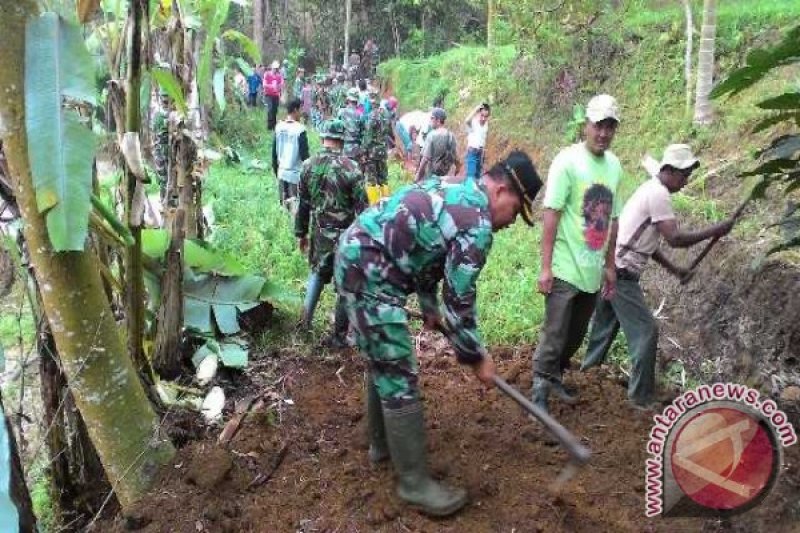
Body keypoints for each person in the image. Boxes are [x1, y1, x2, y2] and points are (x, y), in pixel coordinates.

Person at [335, 151, 543, 517]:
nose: (511, 222)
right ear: (501, 191)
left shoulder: (455, 187)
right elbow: (460, 300)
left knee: (384, 361)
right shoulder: (477, 224)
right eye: (515, 211)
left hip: (356, 255)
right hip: (371, 274)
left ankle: (381, 446)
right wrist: (476, 355)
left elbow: (426, 247)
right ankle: (414, 484)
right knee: (399, 373)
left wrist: (428, 305)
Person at [581, 144, 734, 409]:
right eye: (684, 176)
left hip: (612, 268)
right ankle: (640, 399)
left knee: (605, 327)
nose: (685, 182)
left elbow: (647, 244)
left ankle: (586, 375)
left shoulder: (649, 189)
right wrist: (715, 230)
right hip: (621, 273)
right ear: (670, 171)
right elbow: (674, 239)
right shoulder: (659, 194)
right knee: (646, 331)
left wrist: (675, 269)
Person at [532, 94, 624, 413]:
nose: (603, 133)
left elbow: (613, 218)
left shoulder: (614, 167)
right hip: (564, 264)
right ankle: (540, 388)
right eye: (599, 125)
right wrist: (545, 267)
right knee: (555, 331)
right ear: (586, 124)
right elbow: (552, 214)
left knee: (576, 332)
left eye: (610, 127)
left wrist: (610, 265)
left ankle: (555, 377)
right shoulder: (567, 161)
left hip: (592, 266)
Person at [296, 119, 367, 345]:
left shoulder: (308, 165)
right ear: (342, 141)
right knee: (345, 283)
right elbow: (363, 209)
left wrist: (301, 233)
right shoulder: (351, 168)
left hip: (319, 233)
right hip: (346, 236)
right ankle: (338, 336)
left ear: (323, 137)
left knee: (317, 273)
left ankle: (304, 323)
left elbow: (303, 205)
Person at [272, 99, 310, 208]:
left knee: (283, 206)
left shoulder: (279, 127)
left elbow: (274, 154)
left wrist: (276, 171)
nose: (301, 112)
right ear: (295, 110)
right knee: (294, 209)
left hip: (281, 172)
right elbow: (305, 156)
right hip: (294, 175)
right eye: (300, 109)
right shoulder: (300, 129)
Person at [361, 88, 393, 197]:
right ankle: (387, 203)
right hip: (383, 150)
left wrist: (364, 152)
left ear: (371, 102)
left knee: (371, 180)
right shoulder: (385, 115)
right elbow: (388, 132)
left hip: (372, 153)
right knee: (383, 179)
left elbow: (368, 137)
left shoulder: (371, 116)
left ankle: (374, 206)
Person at [415, 107, 459, 181]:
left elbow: (425, 159)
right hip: (444, 176)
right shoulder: (451, 136)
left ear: (438, 121)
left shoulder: (432, 135)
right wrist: (457, 168)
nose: (430, 120)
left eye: (432, 118)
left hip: (432, 176)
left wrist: (418, 176)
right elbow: (455, 157)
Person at [151, 89, 171, 197]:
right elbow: (155, 137)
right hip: (160, 152)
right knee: (163, 179)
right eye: (164, 102)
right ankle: (164, 201)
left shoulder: (173, 115)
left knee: (171, 178)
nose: (166, 104)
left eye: (168, 102)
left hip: (171, 152)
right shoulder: (158, 116)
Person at [464, 103, 491, 180]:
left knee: (478, 177)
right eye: (481, 115)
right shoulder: (473, 122)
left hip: (480, 153)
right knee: (471, 178)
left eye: (486, 116)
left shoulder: (486, 124)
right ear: (478, 114)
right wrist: (476, 109)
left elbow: (483, 138)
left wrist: (483, 151)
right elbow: (466, 120)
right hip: (472, 152)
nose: (483, 118)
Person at [338, 88, 364, 162]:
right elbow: (363, 133)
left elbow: (336, 130)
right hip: (356, 149)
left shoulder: (341, 112)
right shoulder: (360, 115)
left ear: (348, 99)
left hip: (344, 148)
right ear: (357, 100)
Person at [263, 61, 284, 130]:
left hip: (276, 95)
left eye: (277, 68)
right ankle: (269, 126)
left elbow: (281, 83)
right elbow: (264, 84)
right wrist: (271, 86)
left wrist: (279, 87)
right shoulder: (267, 74)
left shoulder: (279, 76)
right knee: (270, 109)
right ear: (272, 68)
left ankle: (274, 126)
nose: (275, 69)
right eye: (274, 68)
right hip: (268, 95)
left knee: (275, 110)